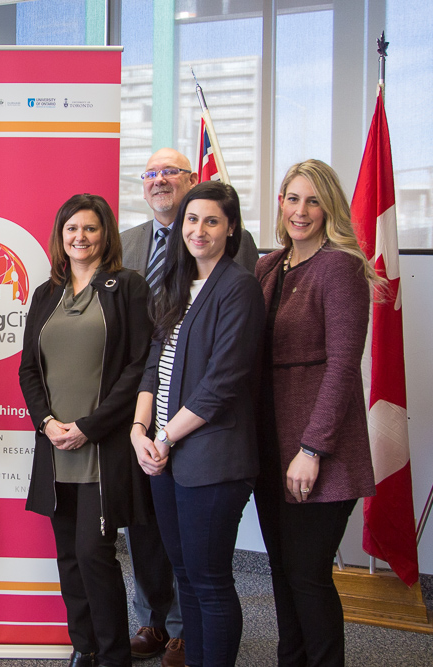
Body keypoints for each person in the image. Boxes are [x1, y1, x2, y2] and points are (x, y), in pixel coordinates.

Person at [119, 147, 259, 667]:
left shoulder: (238, 288)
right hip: (163, 458)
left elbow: (221, 384)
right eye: (193, 219)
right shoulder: (181, 286)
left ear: (230, 229)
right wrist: (139, 430)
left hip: (211, 460)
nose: (198, 229)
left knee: (210, 581)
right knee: (185, 576)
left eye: (211, 221)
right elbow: (154, 363)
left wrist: (163, 437)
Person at [19, 194, 154, 667]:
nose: (80, 237)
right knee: (68, 558)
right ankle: (84, 646)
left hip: (102, 447)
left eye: (90, 228)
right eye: (71, 228)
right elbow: (28, 371)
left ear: (106, 235)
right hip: (55, 446)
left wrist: (89, 427)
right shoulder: (45, 294)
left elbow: (139, 366)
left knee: (94, 555)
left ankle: (114, 654)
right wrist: (48, 423)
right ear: (60, 236)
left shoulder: (127, 287)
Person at [254, 159, 377, 667]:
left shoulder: (341, 267)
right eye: (292, 198)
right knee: (281, 572)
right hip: (267, 445)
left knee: (307, 573)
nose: (300, 211)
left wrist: (312, 449)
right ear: (280, 203)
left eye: (313, 200)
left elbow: (344, 366)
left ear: (329, 208)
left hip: (317, 450)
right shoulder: (267, 266)